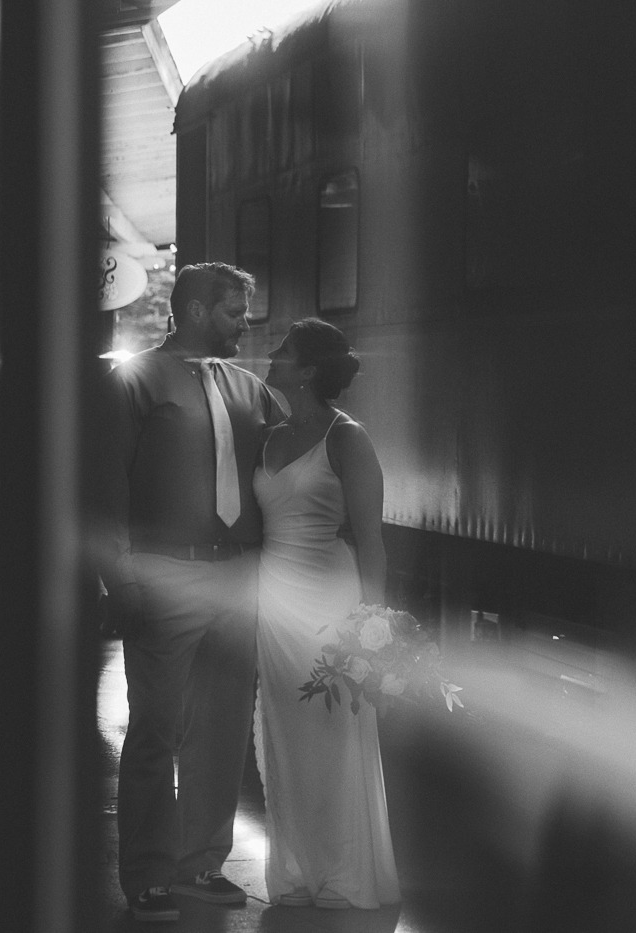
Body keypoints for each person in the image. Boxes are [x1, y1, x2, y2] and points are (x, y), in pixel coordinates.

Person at [96, 262, 282, 922]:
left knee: (224, 732)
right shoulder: (134, 382)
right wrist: (120, 576)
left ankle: (201, 862)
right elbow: (104, 488)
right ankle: (147, 872)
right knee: (157, 729)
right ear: (199, 310)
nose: (245, 324)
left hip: (238, 578)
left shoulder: (253, 390)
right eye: (235, 311)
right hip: (164, 575)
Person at [252, 318, 401, 909]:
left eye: (283, 351)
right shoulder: (267, 433)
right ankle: (294, 870)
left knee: (336, 734)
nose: (271, 355)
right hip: (274, 602)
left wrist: (374, 624)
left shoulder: (347, 438)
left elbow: (371, 538)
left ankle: (343, 873)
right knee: (284, 735)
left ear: (308, 369)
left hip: (330, 603)